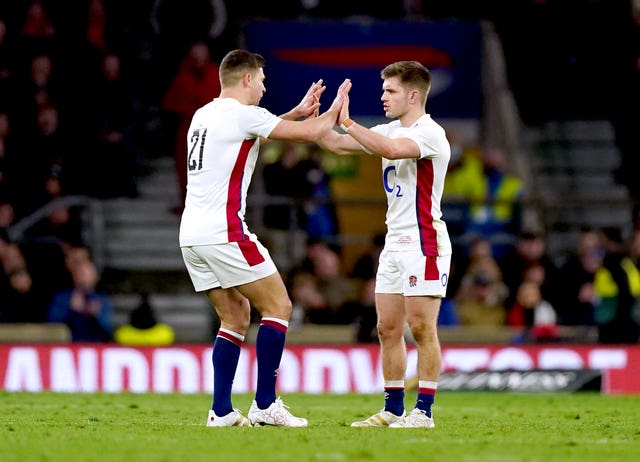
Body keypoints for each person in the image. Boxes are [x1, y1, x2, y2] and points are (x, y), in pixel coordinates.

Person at [178, 49, 350, 428]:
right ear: (247, 80)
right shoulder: (244, 114)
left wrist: (293, 113)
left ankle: (221, 411)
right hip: (225, 230)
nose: (264, 85)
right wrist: (334, 110)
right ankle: (265, 404)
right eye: (262, 78)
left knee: (235, 315)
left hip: (192, 234)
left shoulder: (204, 114)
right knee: (279, 306)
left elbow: (250, 136)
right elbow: (310, 135)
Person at [318, 60, 452, 428]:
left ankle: (423, 412)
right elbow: (336, 145)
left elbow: (391, 152)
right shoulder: (388, 129)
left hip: (425, 241)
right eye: (383, 90)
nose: (383, 97)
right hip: (394, 243)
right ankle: (393, 409)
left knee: (422, 327)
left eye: (390, 91)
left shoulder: (430, 133)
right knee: (387, 328)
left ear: (413, 95)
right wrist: (316, 118)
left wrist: (348, 122)